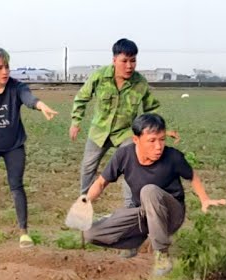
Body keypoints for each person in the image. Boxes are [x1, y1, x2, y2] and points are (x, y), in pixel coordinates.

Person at [80, 113, 224, 277]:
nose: (158, 146)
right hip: (143, 214)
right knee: (90, 233)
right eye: (152, 140)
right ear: (136, 140)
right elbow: (100, 182)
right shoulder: (124, 155)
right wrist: (84, 202)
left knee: (149, 191)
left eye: (162, 139)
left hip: (171, 214)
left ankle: (162, 255)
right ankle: (135, 242)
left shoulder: (173, 157)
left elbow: (192, 176)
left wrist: (204, 199)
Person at [70, 38, 178, 215]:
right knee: (88, 168)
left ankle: (131, 210)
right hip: (99, 132)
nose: (129, 66)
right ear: (114, 60)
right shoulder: (99, 76)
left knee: (131, 165)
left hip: (125, 132)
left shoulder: (140, 83)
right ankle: (84, 204)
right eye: (124, 61)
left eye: (133, 60)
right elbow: (81, 98)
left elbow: (152, 108)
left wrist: (162, 131)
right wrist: (76, 122)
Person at [0, 47, 59, 247]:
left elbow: (28, 98)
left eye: (7, 67)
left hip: (13, 144)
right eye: (0, 67)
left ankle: (24, 232)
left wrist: (41, 105)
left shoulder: (16, 87)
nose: (5, 71)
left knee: (16, 185)